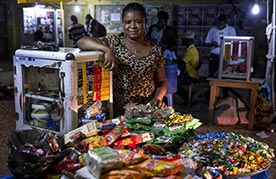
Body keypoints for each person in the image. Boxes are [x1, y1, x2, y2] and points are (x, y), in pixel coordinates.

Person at [78, 2, 168, 117]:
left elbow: (162, 82)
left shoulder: (155, 50)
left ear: (146, 23)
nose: (133, 26)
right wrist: (106, 50)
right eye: (128, 22)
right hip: (118, 111)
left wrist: (157, 98)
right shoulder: (115, 43)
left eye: (138, 22)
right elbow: (82, 42)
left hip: (146, 111)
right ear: (123, 24)